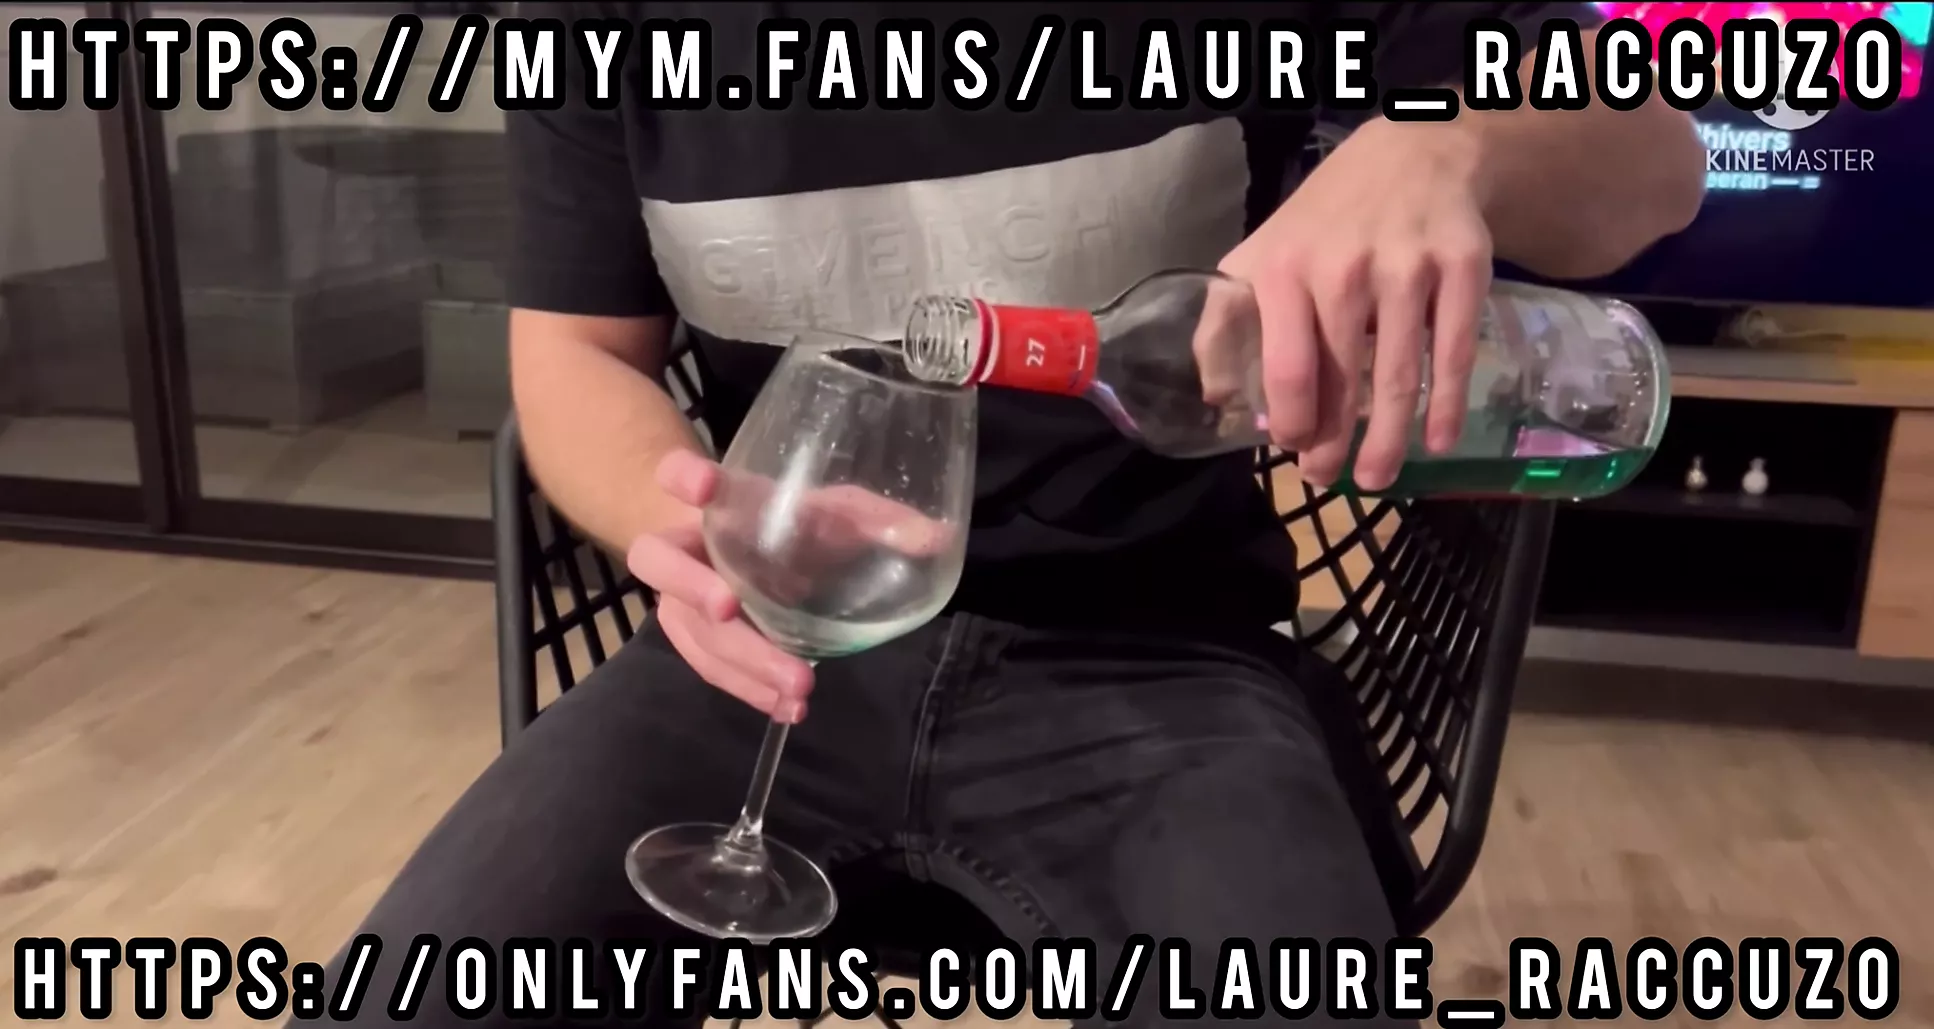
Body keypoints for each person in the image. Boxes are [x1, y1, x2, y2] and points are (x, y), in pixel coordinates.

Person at [326, 2, 1703, 1026]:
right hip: (768, 656)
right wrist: (678, 520)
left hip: (1158, 656)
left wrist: (1448, 144)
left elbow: (1659, 170)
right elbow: (574, 354)